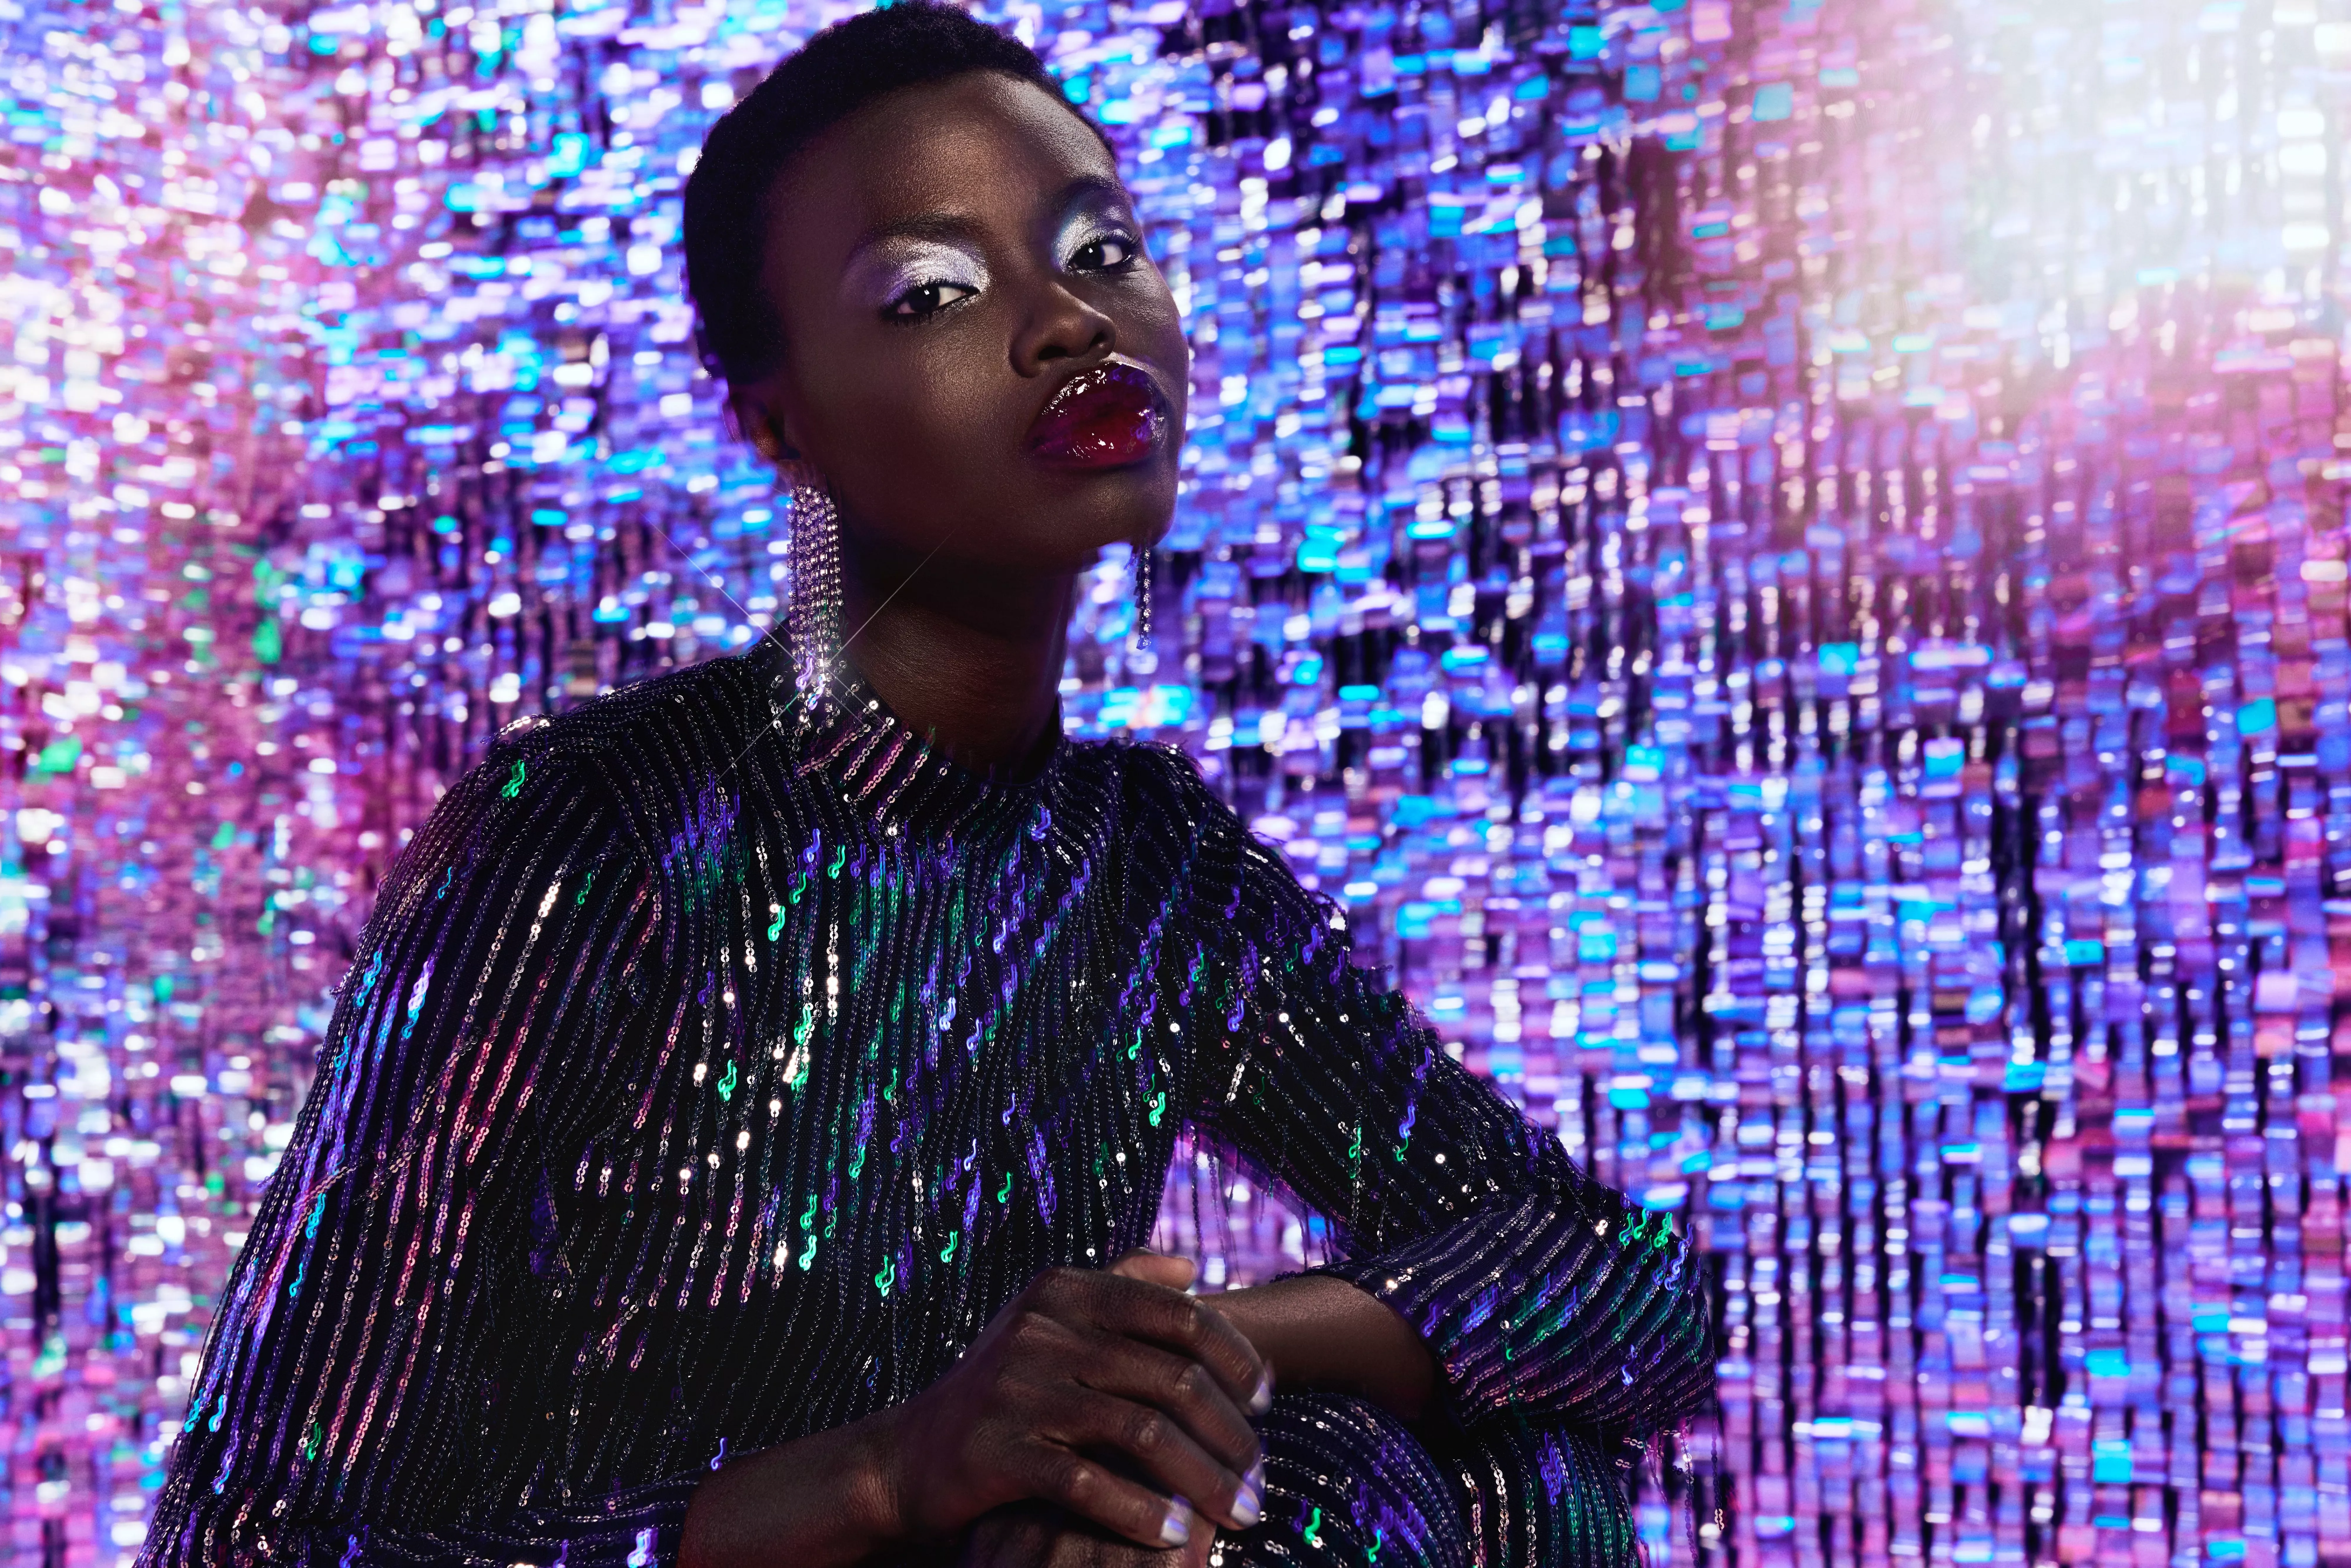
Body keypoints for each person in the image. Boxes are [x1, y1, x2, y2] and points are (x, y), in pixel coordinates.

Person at [140, 6, 1715, 1565]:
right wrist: (890, 1476)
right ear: (780, 421)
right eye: (934, 293)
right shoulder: (596, 838)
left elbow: (1630, 1284)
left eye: (1101, 251)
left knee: (1483, 1474)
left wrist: (1179, 1358)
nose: (1071, 325)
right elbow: (244, 1542)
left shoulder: (1144, 867)